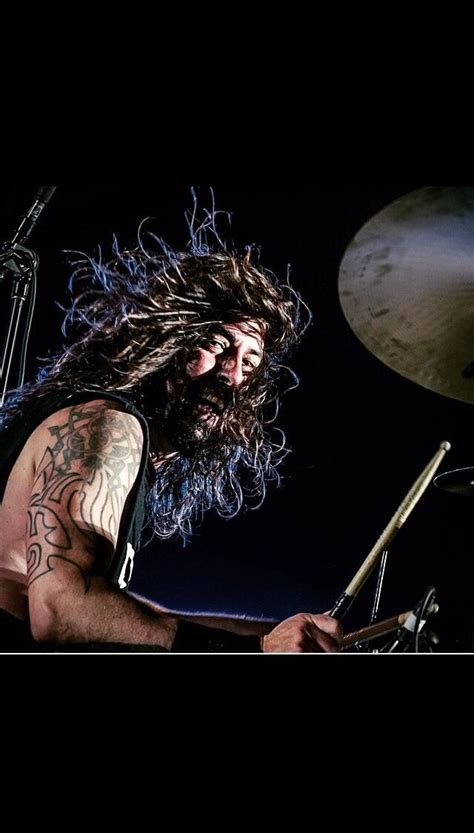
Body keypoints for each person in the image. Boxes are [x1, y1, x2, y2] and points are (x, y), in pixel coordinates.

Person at [0, 203, 343, 653]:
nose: (231, 374)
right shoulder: (109, 424)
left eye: (249, 363)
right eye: (216, 345)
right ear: (166, 342)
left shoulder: (104, 429)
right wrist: (254, 652)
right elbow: (63, 608)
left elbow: (114, 613)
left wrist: (271, 635)